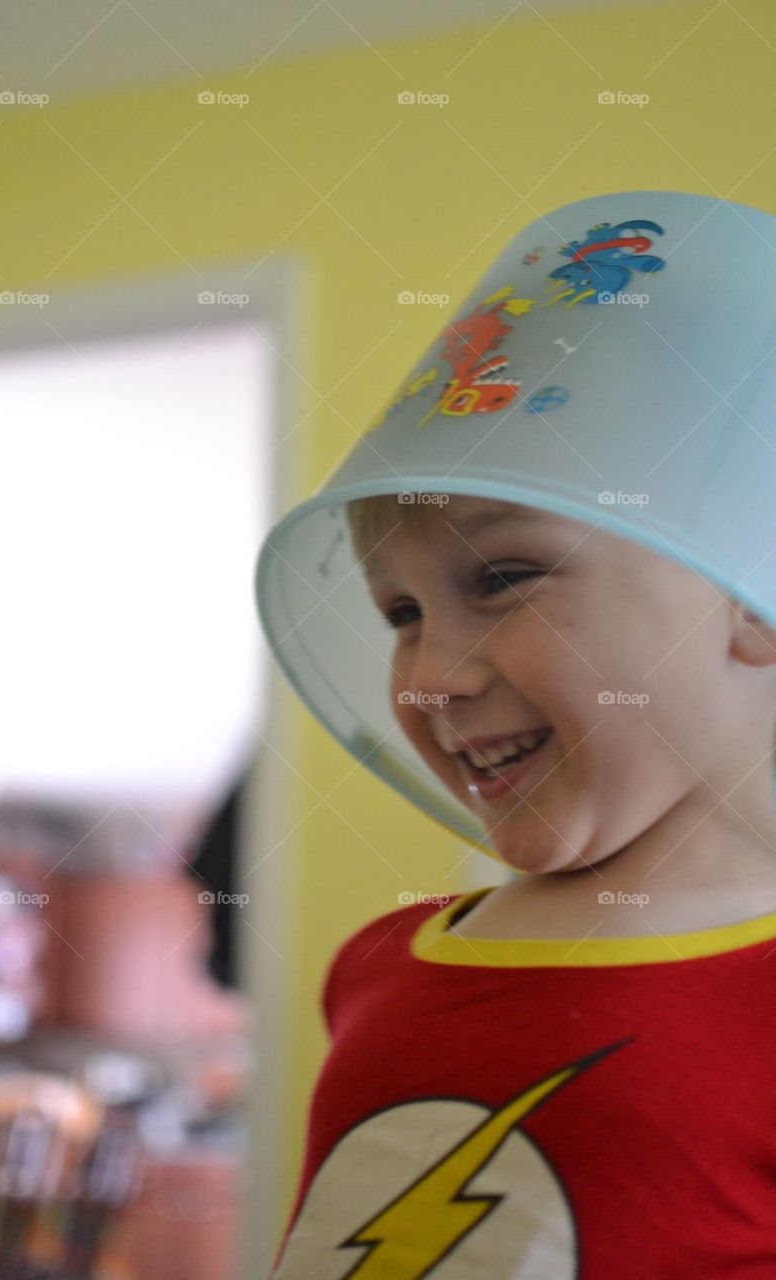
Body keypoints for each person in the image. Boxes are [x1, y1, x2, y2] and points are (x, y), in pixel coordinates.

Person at [254, 190, 776, 1277]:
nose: (433, 676)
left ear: (750, 597)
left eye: (505, 577)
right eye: (400, 614)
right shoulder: (380, 964)